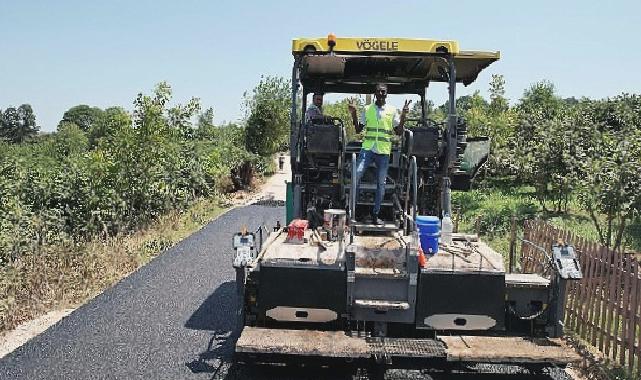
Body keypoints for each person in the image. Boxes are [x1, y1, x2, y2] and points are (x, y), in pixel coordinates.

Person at [348, 84, 411, 225]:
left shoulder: (392, 110)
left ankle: (376, 215)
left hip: (383, 151)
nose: (381, 94)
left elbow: (399, 132)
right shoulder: (367, 109)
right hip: (368, 149)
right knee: (356, 175)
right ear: (375, 94)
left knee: (381, 184)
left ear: (386, 94)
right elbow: (358, 129)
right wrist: (353, 113)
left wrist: (403, 117)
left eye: (383, 92)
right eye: (378, 92)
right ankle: (353, 212)